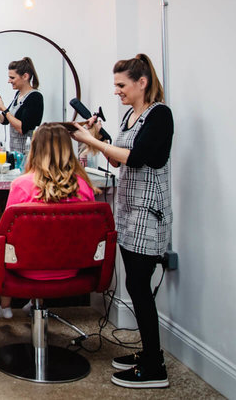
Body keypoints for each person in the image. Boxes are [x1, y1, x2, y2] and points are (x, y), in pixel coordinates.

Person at [73, 54, 173, 389]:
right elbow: (119, 162)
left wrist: (92, 142)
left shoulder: (160, 116)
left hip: (148, 212)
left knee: (139, 287)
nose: (117, 92)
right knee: (135, 283)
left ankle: (154, 365)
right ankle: (147, 353)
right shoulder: (131, 116)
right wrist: (101, 137)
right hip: (128, 210)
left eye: (121, 85)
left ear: (141, 82)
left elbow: (138, 157)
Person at [0, 124, 97, 318]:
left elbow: (6, 234)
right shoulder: (84, 186)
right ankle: (35, 303)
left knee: (2, 243)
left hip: (27, 269)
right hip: (72, 267)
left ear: (35, 149)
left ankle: (5, 307)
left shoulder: (22, 185)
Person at [0, 57, 43, 155]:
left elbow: (22, 129)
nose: (9, 81)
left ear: (25, 76)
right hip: (15, 151)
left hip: (28, 153)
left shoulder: (35, 97)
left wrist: (3, 108)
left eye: (12, 78)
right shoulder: (18, 95)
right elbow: (5, 120)